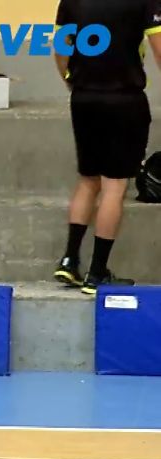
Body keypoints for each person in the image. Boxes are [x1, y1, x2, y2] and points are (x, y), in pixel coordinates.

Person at [52, 0, 161, 294]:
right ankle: (97, 273)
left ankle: (69, 260)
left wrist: (70, 79)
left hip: (84, 98)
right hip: (124, 99)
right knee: (114, 185)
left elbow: (61, 47)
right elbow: (159, 48)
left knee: (88, 180)